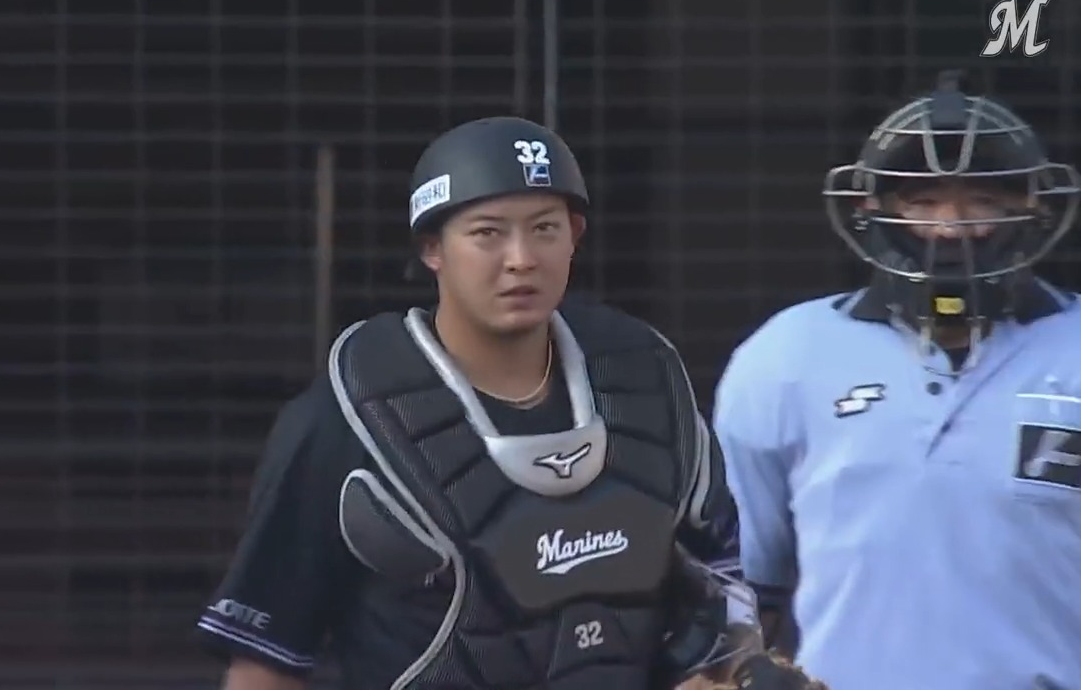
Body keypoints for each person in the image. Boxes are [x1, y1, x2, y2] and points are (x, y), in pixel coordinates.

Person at [194, 116, 828, 689]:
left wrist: (734, 674)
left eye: (545, 229)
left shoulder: (646, 382)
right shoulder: (352, 414)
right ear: (432, 249)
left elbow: (715, 596)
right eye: (487, 233)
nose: (521, 260)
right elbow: (264, 663)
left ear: (575, 236)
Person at [715, 70, 1081, 690]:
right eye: (922, 200)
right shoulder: (786, 355)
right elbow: (743, 589)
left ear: (1031, 209)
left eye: (982, 200)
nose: (950, 227)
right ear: (872, 209)